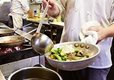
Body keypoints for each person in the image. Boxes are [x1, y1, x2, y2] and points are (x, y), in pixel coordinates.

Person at [42, 0, 114, 80]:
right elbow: (64, 9)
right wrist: (56, 11)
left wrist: (102, 34)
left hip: (96, 60)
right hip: (66, 56)